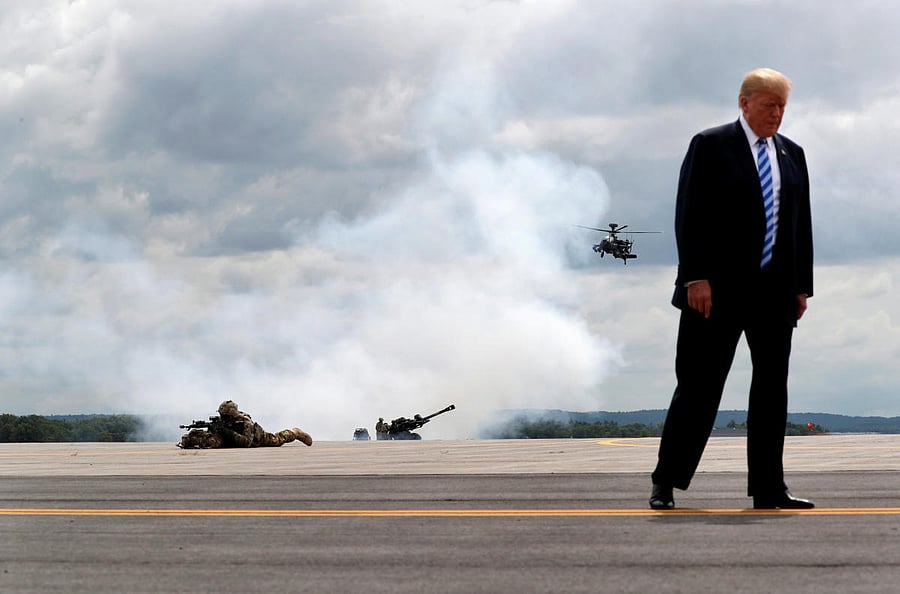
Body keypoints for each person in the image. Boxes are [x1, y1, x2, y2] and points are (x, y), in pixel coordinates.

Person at [650, 68, 814, 510]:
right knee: (699, 388)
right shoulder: (710, 144)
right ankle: (666, 482)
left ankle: (769, 487)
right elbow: (689, 214)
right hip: (715, 293)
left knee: (771, 391)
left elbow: (799, 225)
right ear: (744, 103)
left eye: (782, 106)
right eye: (768, 105)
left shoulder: (792, 153)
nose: (776, 113)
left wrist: (801, 288)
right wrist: (694, 277)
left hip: (774, 294)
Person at [179, 400, 313, 449]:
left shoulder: (245, 422)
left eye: (224, 416)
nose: (222, 417)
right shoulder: (224, 421)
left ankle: (295, 432)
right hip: (234, 438)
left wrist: (227, 432)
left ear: (231, 415)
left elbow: (246, 443)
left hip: (258, 438)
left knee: (277, 440)